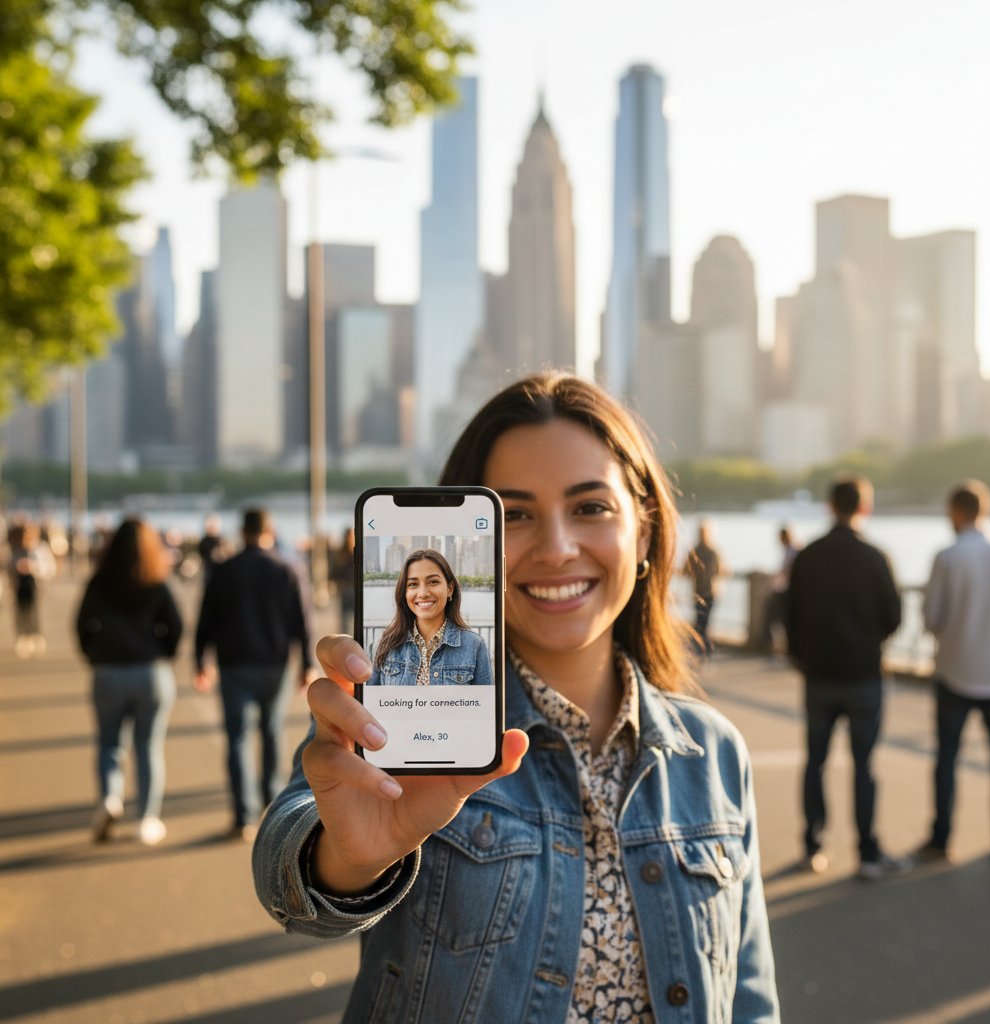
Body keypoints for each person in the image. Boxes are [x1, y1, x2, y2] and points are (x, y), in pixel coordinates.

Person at [253, 373, 779, 1022]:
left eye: (591, 508)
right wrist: (346, 858)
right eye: (515, 516)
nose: (557, 550)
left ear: (643, 533)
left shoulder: (713, 752)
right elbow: (287, 870)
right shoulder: (410, 723)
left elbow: (750, 1001)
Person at [785, 474, 906, 880]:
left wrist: (803, 658)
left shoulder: (808, 556)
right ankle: (867, 852)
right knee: (864, 766)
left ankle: (812, 846)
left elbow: (789, 615)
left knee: (815, 762)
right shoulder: (875, 556)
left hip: (819, 675)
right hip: (864, 675)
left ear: (829, 506)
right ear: (864, 508)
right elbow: (894, 617)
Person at [194, 508, 318, 841]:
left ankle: (243, 816)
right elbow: (303, 619)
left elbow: (205, 618)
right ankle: (273, 807)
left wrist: (200, 661)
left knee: (237, 738)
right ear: (269, 531)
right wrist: (307, 664)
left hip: (233, 664)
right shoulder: (287, 568)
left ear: (242, 532)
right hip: (275, 665)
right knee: (272, 732)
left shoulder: (223, 569)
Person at [917, 480, 990, 865]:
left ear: (957, 511)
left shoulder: (948, 556)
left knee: (947, 758)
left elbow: (932, 617)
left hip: (955, 671)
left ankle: (941, 838)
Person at [75, 518, 183, 845]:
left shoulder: (99, 582)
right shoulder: (157, 582)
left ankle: (111, 797)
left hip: (108, 672)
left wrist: (94, 654)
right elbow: (176, 627)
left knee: (109, 742)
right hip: (151, 672)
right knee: (148, 746)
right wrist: (163, 653)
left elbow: (82, 625)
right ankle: (147, 818)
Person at [365, 548, 493, 687]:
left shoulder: (475, 646)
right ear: (404, 592)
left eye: (433, 582)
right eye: (413, 584)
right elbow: (371, 700)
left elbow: (484, 701)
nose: (423, 593)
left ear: (450, 589)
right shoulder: (383, 644)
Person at [7, 518, 55, 658]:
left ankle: (35, 635)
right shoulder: (15, 549)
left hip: (35, 585)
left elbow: (49, 568)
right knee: (20, 612)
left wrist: (33, 568)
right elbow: (8, 567)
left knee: (33, 611)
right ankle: (23, 637)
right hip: (19, 586)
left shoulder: (41, 549)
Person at [682, 518, 728, 657]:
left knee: (700, 621)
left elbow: (685, 570)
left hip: (700, 592)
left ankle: (701, 648)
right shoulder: (713, 551)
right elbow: (723, 570)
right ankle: (704, 648)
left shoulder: (695, 551)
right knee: (703, 621)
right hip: (708, 592)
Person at [766, 525, 801, 655]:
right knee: (780, 619)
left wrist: (776, 581)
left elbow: (787, 571)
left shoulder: (792, 550)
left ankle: (781, 646)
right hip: (786, 590)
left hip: (787, 591)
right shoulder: (791, 550)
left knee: (779, 618)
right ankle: (782, 646)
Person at [328, 526, 356, 636]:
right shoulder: (341, 555)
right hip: (346, 593)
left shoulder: (357, 554)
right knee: (344, 623)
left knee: (354, 622)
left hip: (355, 593)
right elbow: (333, 574)